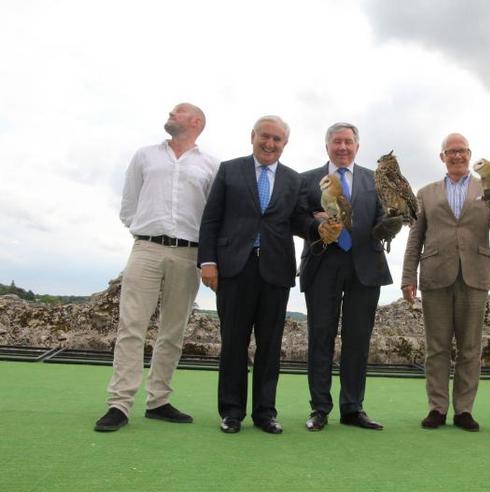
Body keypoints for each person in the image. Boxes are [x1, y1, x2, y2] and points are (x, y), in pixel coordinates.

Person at [94, 103, 218, 432]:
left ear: (196, 122)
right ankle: (119, 404)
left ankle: (158, 400)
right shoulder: (145, 156)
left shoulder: (210, 165)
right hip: (146, 247)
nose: (170, 114)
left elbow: (212, 215)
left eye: (177, 111)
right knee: (131, 326)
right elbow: (128, 203)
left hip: (188, 253)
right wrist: (145, 230)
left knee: (173, 330)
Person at [198, 115, 316, 435]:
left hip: (276, 271)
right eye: (265, 136)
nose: (270, 143)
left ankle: (265, 413)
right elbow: (211, 220)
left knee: (270, 345)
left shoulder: (294, 180)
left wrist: (321, 226)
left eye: (277, 139)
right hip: (234, 269)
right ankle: (231, 412)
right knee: (234, 343)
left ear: (285, 144)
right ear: (253, 136)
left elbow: (300, 222)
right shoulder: (229, 170)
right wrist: (207, 262)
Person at [401, 133, 490, 431]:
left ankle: (464, 410)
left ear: (470, 154)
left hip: (475, 274)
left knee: (470, 347)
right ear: (441, 157)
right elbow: (415, 237)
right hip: (435, 275)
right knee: (436, 348)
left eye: (462, 151)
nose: (457, 156)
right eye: (450, 151)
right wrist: (407, 276)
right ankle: (437, 408)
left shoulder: (488, 188)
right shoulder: (426, 193)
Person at [299, 122, 402, 431]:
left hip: (365, 268)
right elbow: (297, 217)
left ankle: (352, 408)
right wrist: (315, 222)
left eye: (348, 142)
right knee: (320, 337)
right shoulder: (307, 180)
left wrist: (393, 223)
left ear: (357, 147)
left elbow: (386, 217)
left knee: (358, 340)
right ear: (326, 145)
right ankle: (319, 408)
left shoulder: (377, 181)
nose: (342, 147)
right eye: (336, 142)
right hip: (322, 266)